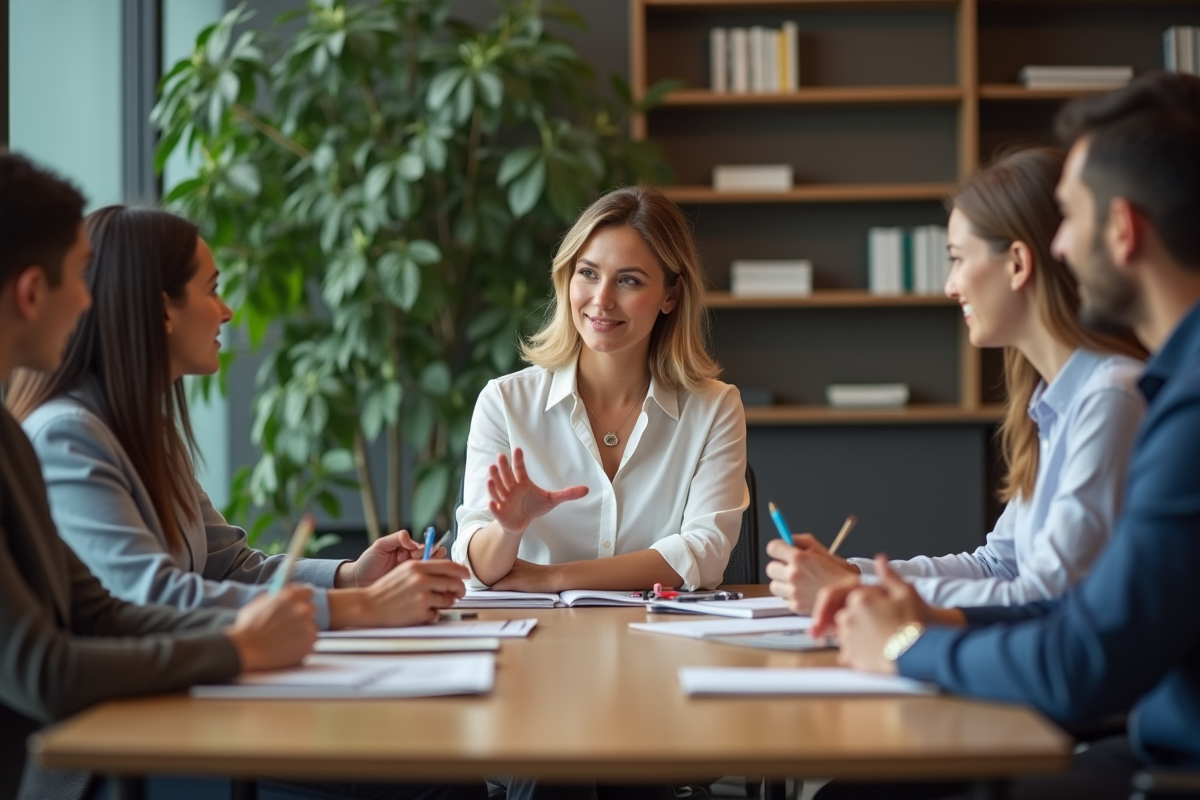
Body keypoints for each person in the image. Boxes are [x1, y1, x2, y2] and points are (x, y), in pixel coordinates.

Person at [811, 72, 1200, 799]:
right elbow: (1065, 607)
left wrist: (907, 642)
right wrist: (904, 609)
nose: (1057, 244)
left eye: (1068, 217)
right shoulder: (1163, 387)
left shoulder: (1172, 403)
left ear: (1122, 230)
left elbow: (1081, 655)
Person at [0, 155, 317, 800]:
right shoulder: (56, 433)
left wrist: (283, 619)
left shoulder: (12, 437)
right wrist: (239, 648)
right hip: (81, 766)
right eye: (76, 279)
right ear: (33, 292)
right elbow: (44, 670)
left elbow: (99, 610)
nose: (91, 299)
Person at [5, 206, 471, 633]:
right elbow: (150, 595)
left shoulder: (146, 431)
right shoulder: (66, 437)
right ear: (162, 309)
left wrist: (352, 578)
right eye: (211, 290)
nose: (226, 312)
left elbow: (230, 567)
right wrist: (364, 608)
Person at [765, 147, 1147, 613]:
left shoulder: (1111, 398)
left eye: (958, 259)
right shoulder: (1053, 403)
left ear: (1018, 265)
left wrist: (860, 593)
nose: (950, 285)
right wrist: (854, 575)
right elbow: (998, 565)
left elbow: (1046, 596)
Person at [451, 185, 748, 593]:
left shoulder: (714, 407)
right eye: (588, 273)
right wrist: (508, 529)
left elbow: (704, 553)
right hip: (537, 644)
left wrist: (553, 577)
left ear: (671, 295)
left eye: (629, 280)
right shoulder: (504, 404)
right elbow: (476, 569)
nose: (601, 299)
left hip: (658, 643)